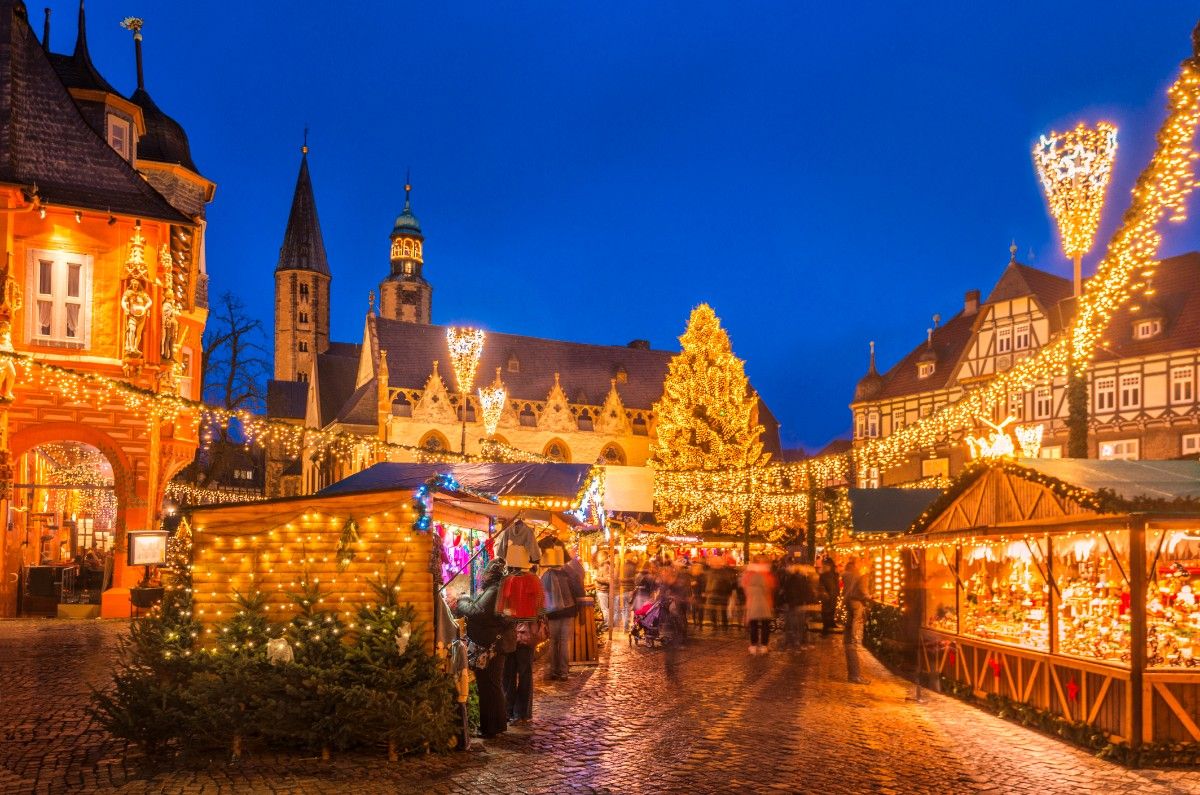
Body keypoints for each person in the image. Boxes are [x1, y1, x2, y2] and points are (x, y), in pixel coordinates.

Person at [455, 558, 511, 737]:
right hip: (493, 645)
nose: (483, 575)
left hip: (490, 647)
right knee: (492, 684)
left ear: (491, 574)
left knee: (489, 685)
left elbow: (477, 612)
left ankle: (490, 728)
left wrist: (462, 600)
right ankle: (498, 725)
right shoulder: (497, 589)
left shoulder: (495, 590)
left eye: (485, 572)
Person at [500, 546, 543, 723]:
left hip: (511, 632)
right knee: (524, 673)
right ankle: (522, 712)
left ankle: (508, 710)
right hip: (526, 633)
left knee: (509, 673)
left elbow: (502, 609)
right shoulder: (534, 581)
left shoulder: (507, 582)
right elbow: (541, 609)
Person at [540, 546, 584, 681]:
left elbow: (542, 596)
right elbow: (579, 590)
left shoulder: (546, 575)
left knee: (553, 642)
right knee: (564, 642)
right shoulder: (568, 573)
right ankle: (564, 672)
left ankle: (554, 671)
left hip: (552, 613)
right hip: (568, 612)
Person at [842, 557, 871, 684]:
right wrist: (869, 596)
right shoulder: (862, 576)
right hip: (856, 603)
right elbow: (863, 591)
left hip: (849, 602)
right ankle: (855, 675)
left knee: (849, 641)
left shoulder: (851, 575)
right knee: (854, 640)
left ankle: (853, 674)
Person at [740, 555, 777, 654]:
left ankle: (753, 645)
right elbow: (772, 588)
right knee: (765, 625)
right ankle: (764, 646)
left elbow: (744, 589)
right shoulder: (768, 575)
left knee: (754, 625)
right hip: (766, 603)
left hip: (752, 603)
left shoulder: (748, 575)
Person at [703, 557, 734, 630]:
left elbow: (728, 583)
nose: (714, 563)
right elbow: (707, 582)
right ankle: (715, 624)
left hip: (722, 594)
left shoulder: (724, 572)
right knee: (712, 611)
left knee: (723, 611)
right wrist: (706, 591)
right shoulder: (710, 571)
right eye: (714, 562)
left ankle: (724, 625)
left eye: (716, 562)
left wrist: (729, 593)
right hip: (712, 594)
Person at [617, 551, 639, 631]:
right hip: (629, 589)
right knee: (630, 608)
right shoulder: (633, 565)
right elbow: (635, 579)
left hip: (624, 589)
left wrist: (622, 580)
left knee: (625, 608)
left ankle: (626, 626)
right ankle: (629, 626)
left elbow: (618, 577)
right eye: (631, 555)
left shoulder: (621, 566)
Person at [819, 558, 840, 636]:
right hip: (827, 596)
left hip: (833, 595)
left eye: (826, 565)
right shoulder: (824, 575)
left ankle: (830, 624)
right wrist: (824, 593)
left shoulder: (834, 574)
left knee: (831, 611)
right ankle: (825, 629)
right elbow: (821, 586)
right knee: (825, 612)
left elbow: (836, 584)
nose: (824, 566)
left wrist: (837, 592)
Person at [593, 550, 613, 630]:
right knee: (604, 609)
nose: (598, 558)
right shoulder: (602, 566)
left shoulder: (606, 566)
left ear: (602, 557)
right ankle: (606, 624)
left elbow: (608, 580)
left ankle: (607, 625)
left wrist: (596, 578)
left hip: (603, 590)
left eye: (599, 556)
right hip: (601, 590)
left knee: (605, 609)